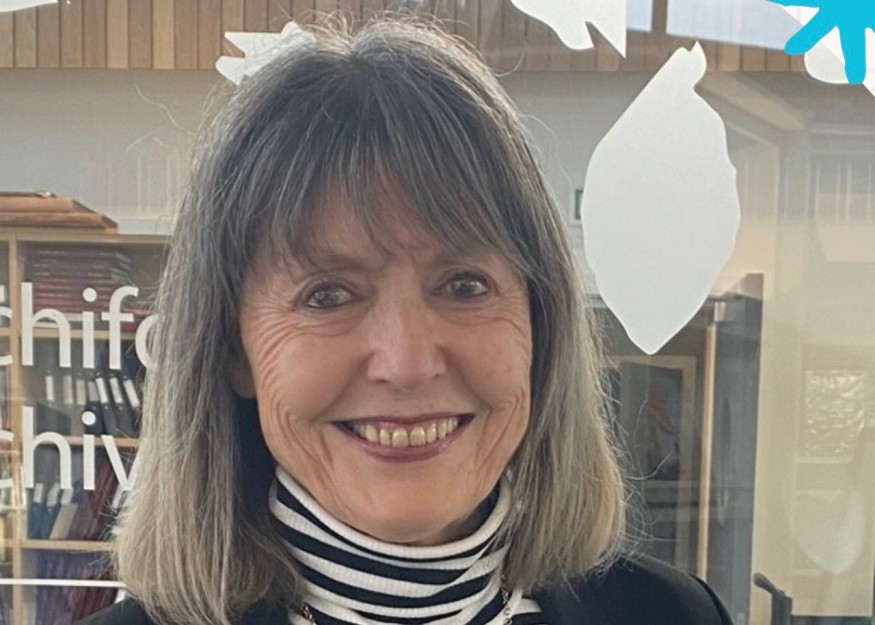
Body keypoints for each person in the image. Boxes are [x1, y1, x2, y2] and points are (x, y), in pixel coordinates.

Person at [81, 16, 731, 625]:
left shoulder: (671, 613)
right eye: (327, 295)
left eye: (464, 285)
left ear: (541, 326)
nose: (407, 363)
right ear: (232, 349)